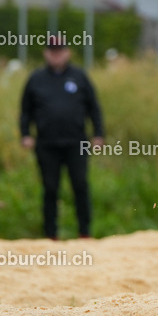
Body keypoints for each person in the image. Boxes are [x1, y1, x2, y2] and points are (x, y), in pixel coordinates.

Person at [20, 37, 104, 240]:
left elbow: (94, 107)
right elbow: (25, 110)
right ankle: (51, 235)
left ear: (68, 52)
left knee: (80, 185)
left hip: (77, 142)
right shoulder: (36, 78)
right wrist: (25, 134)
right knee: (50, 188)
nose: (56, 54)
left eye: (60, 50)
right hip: (47, 143)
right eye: (52, 50)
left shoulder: (79, 77)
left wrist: (99, 134)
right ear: (45, 53)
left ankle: (84, 232)